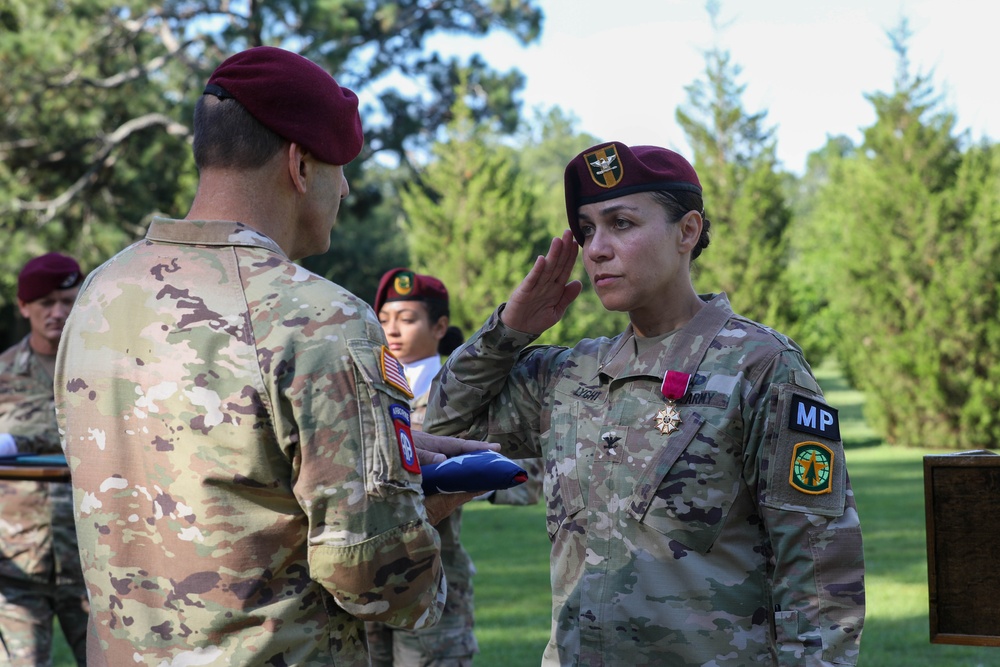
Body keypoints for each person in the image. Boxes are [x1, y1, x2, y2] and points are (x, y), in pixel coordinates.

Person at [54, 46, 484, 667]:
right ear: (301, 165)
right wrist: (425, 492)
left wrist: (391, 460)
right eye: (342, 167)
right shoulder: (321, 318)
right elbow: (377, 581)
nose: (348, 188)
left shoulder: (100, 294)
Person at [425, 142, 866, 666]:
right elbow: (444, 423)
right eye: (587, 230)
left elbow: (818, 557)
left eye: (622, 223)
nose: (596, 249)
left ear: (688, 231)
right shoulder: (568, 373)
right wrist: (510, 331)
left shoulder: (758, 364)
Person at [369, 269, 543, 667]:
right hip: (365, 579)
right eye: (384, 320)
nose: (392, 331)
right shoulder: (367, 393)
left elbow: (525, 480)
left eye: (407, 319)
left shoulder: (465, 393)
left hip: (433, 578)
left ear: (439, 326)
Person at [0, 252, 88, 666]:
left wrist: (16, 443)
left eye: (68, 300)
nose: (57, 312)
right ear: (24, 307)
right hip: (17, 566)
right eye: (46, 302)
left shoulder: (105, 371)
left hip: (93, 566)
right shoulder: (2, 375)